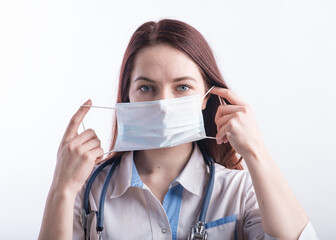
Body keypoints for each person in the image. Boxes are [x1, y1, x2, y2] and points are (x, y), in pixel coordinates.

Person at [38, 19, 318, 240]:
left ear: (206, 98)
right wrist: (60, 189)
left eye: (182, 87)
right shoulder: (87, 191)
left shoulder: (238, 190)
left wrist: (255, 150)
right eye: (146, 88)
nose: (163, 104)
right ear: (127, 96)